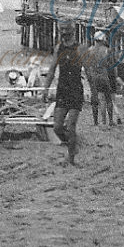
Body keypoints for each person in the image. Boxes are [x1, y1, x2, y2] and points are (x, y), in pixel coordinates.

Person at [43, 24, 86, 166]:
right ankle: (72, 146)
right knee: (57, 127)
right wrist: (45, 89)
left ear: (73, 32)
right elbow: (51, 70)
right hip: (62, 90)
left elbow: (89, 72)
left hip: (75, 91)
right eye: (62, 32)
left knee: (71, 126)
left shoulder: (80, 48)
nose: (64, 34)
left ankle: (71, 158)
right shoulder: (58, 48)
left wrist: (94, 92)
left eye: (67, 32)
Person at [84, 31, 117, 126]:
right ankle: (110, 121)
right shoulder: (107, 50)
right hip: (103, 75)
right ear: (103, 40)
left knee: (94, 99)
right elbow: (111, 65)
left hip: (93, 76)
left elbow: (86, 66)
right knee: (108, 98)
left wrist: (89, 77)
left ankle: (95, 121)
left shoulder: (89, 50)